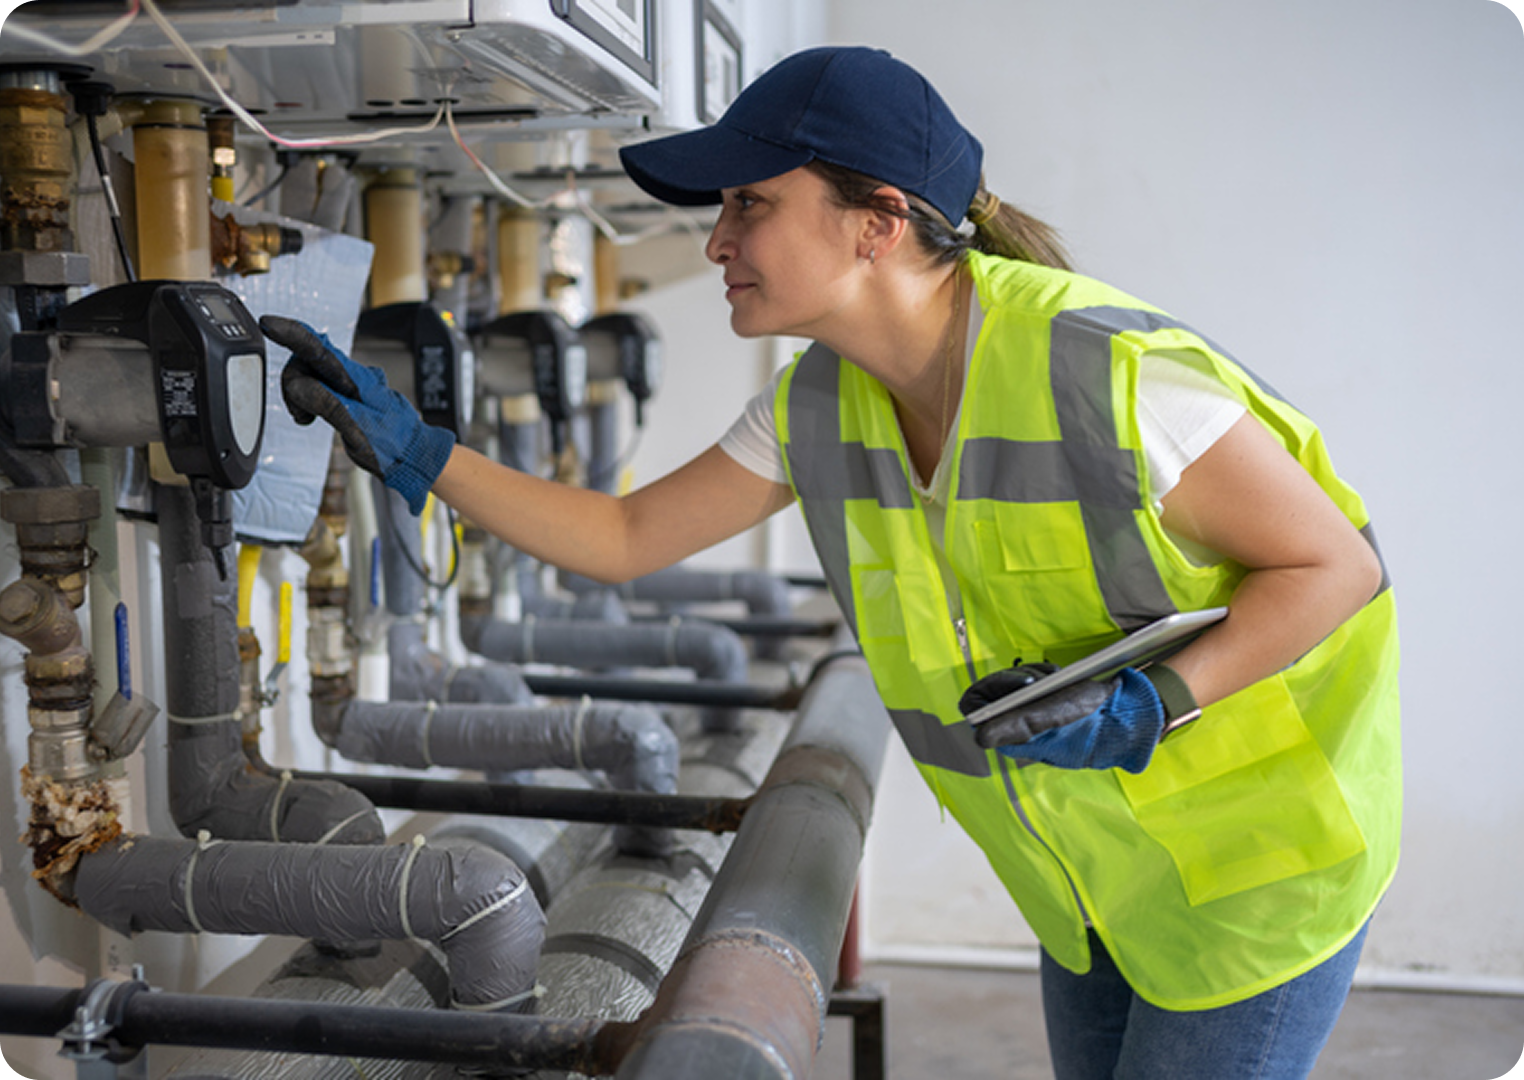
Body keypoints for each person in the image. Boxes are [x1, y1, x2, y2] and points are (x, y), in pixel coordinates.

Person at [263, 45, 1401, 1080]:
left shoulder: (1108, 378)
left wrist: (1159, 701)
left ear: (878, 222)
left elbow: (1336, 568)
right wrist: (418, 453)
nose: (717, 240)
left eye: (750, 204)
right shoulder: (819, 403)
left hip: (1256, 873)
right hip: (1091, 880)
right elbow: (620, 541)